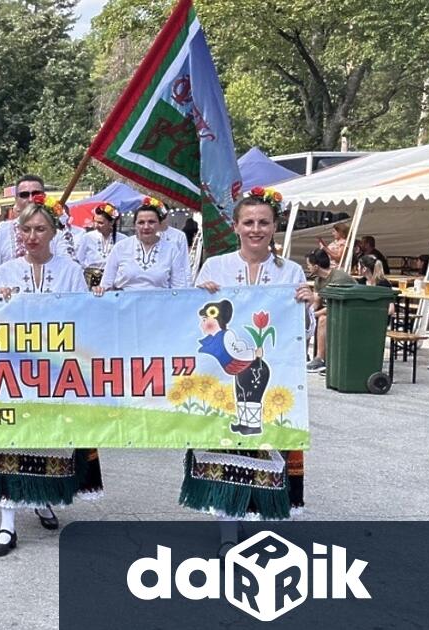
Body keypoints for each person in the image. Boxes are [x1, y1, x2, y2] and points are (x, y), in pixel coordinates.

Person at [185, 187, 314, 555]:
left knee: (263, 443)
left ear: (274, 226)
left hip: (273, 371)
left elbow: (299, 332)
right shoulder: (215, 266)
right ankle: (227, 528)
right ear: (236, 226)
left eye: (263, 222)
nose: (255, 229)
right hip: (222, 373)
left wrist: (306, 305)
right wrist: (200, 295)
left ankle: (257, 524)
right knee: (225, 444)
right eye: (248, 222)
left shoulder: (290, 271)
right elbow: (191, 323)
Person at [0, 193, 95, 556]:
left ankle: (43, 497)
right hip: (13, 370)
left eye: (40, 229)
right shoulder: (5, 272)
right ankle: (7, 523)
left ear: (53, 232)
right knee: (9, 439)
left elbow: (82, 318)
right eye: (26, 230)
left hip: (56, 369)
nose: (32, 236)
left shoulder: (69, 270)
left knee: (50, 439)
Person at [95, 197, 191, 294]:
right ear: (134, 225)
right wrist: (100, 290)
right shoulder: (120, 248)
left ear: (159, 224)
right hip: (124, 305)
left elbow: (179, 288)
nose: (146, 227)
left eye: (151, 222)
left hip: (160, 305)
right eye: (141, 222)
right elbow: (106, 285)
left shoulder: (171, 250)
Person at [303, 247, 355, 373]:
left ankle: (320, 359)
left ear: (316, 266)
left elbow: (333, 306)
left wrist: (314, 314)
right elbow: (316, 302)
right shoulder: (318, 280)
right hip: (334, 311)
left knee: (322, 319)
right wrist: (306, 313)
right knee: (306, 319)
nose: (308, 268)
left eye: (309, 265)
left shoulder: (338, 278)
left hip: (349, 311)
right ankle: (302, 355)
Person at [75, 202, 126, 288]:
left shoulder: (123, 240)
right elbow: (79, 261)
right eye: (95, 222)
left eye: (100, 223)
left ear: (111, 222)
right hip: (89, 281)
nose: (96, 226)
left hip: (113, 282)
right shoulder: (87, 237)